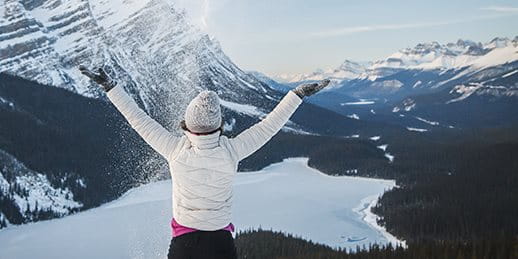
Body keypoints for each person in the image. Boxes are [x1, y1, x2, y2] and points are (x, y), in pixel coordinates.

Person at [79, 65, 330, 259]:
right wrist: (297, 95)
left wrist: (111, 86)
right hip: (220, 243)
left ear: (187, 124)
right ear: (219, 125)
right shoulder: (232, 150)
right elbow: (268, 127)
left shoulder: (175, 150)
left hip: (184, 244)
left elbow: (138, 119)